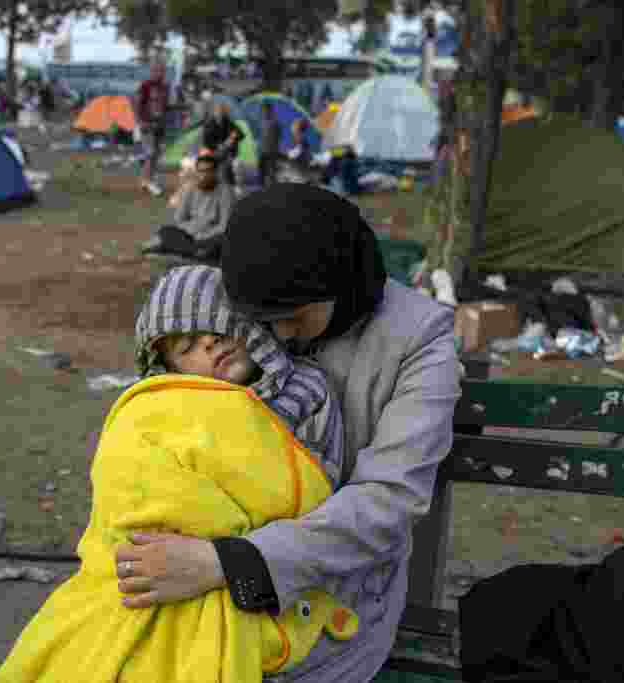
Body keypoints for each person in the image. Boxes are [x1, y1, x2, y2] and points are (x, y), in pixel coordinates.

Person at [113, 183, 463, 682]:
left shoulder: (417, 342)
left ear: (339, 284)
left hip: (333, 590)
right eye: (261, 321)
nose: (274, 337)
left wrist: (230, 564)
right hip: (202, 549)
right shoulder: (244, 296)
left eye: (292, 318)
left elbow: (388, 501)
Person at [0, 264, 358, 682]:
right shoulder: (163, 411)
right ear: (170, 370)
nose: (209, 344)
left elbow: (317, 483)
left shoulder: (306, 390)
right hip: (157, 554)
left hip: (252, 560)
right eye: (186, 347)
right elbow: (134, 482)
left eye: (218, 328)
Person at [141, 154, 235, 262]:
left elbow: (225, 226)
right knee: (166, 231)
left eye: (208, 171)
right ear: (196, 172)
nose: (203, 175)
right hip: (190, 236)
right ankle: (194, 252)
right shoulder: (190, 189)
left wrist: (202, 235)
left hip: (211, 236)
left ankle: (181, 250)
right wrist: (192, 232)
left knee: (223, 240)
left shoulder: (225, 192)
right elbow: (179, 219)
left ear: (215, 173)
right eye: (200, 171)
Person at [135, 59, 169, 196]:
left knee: (156, 155)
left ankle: (146, 180)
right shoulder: (145, 85)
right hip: (147, 124)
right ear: (152, 71)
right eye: (157, 70)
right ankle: (149, 182)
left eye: (162, 71)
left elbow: (165, 107)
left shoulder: (165, 87)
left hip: (159, 125)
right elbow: (137, 103)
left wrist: (180, 108)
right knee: (151, 153)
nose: (160, 73)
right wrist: (139, 121)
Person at [201, 102, 245, 188]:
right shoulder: (209, 124)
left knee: (233, 165)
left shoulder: (228, 122)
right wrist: (218, 146)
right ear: (215, 113)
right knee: (211, 165)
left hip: (228, 153)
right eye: (218, 112)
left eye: (222, 112)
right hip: (214, 152)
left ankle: (234, 185)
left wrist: (233, 138)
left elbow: (241, 134)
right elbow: (206, 142)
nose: (220, 114)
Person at [260, 101, 281, 188]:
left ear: (270, 110)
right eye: (263, 111)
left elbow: (278, 135)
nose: (264, 112)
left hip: (271, 150)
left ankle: (272, 185)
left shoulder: (274, 122)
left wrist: (274, 146)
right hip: (265, 150)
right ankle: (266, 185)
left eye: (265, 110)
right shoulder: (263, 121)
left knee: (271, 170)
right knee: (265, 170)